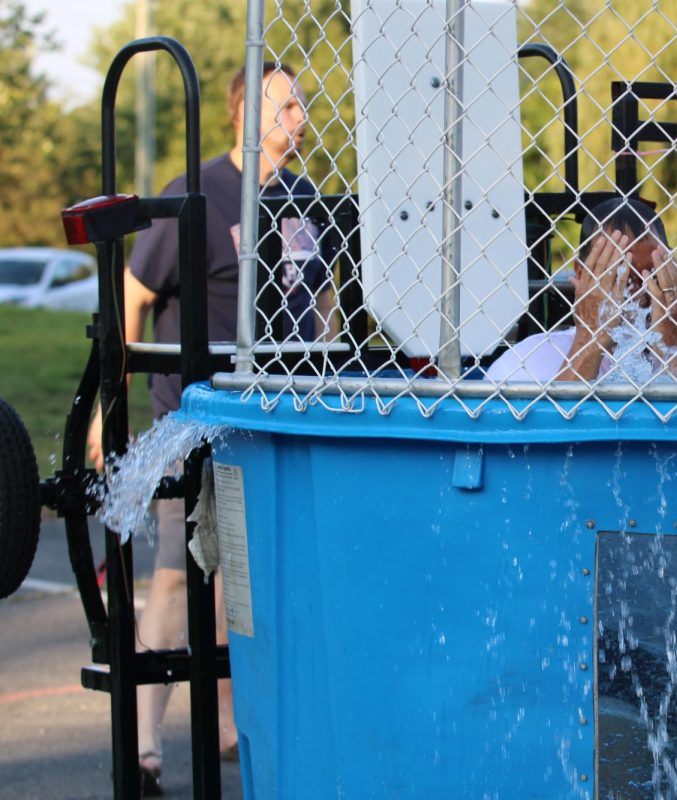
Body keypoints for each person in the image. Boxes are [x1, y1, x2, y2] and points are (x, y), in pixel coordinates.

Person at [86, 63, 332, 795]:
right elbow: (130, 299)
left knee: (245, 580)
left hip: (268, 422)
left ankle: (229, 725)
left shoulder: (305, 199)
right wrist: (109, 406)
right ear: (242, 113)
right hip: (190, 419)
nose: (298, 113)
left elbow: (320, 308)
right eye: (284, 102)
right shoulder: (198, 193)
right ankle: (145, 739)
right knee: (175, 573)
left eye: (300, 101)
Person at [486, 197, 677, 383]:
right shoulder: (531, 358)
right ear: (582, 275)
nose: (641, 295)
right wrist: (589, 342)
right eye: (620, 278)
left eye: (653, 274)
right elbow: (547, 451)